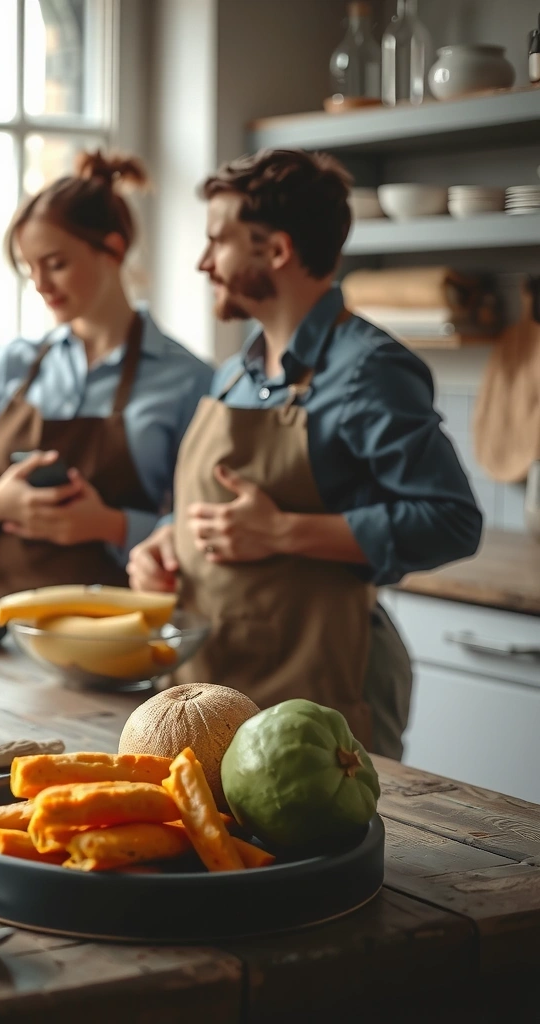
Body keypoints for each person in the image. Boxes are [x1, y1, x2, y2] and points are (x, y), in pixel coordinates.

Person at [127, 148, 482, 759]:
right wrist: (167, 541)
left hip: (320, 694)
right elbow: (220, 508)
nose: (203, 261)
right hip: (211, 689)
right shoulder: (236, 374)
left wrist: (284, 532)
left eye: (218, 240)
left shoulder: (369, 370)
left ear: (276, 251)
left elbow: (451, 520)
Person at [0, 150, 214, 602]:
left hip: (113, 624)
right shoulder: (13, 363)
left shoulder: (189, 381)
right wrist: (2, 502)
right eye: (29, 268)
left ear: (112, 249)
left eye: (55, 264)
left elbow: (197, 524)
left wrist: (110, 525)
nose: (40, 284)